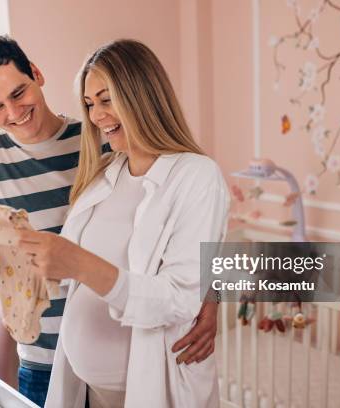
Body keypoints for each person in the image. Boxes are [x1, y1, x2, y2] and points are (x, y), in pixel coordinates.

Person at [0, 35, 219, 407]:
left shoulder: (105, 144)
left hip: (134, 357)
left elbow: (199, 226)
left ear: (37, 74)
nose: (13, 112)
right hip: (44, 363)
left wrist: (210, 300)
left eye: (18, 93)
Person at [16, 39, 229, 408]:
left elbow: (179, 296)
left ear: (141, 95)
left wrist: (79, 263)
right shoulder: (105, 173)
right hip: (88, 389)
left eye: (106, 98)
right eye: (88, 104)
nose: (96, 115)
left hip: (151, 385)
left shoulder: (196, 175)